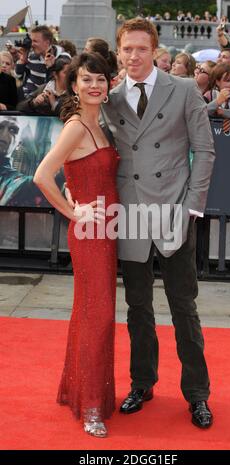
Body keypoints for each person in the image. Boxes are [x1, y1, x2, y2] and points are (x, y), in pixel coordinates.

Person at [101, 18, 215, 429]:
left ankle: (197, 395)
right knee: (137, 308)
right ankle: (142, 383)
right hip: (130, 215)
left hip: (173, 211)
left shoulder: (182, 89)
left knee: (184, 307)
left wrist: (191, 207)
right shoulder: (109, 98)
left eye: (141, 49)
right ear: (119, 53)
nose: (134, 56)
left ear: (155, 50)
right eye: (127, 49)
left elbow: (205, 151)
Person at [33, 52, 120, 438]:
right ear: (74, 84)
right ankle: (89, 409)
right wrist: (73, 212)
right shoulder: (75, 127)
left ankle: (80, 391)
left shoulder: (99, 124)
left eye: (100, 79)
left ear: (109, 83)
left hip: (107, 232)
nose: (94, 86)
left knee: (92, 314)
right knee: (96, 317)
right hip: (89, 234)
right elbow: (41, 175)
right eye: (86, 79)